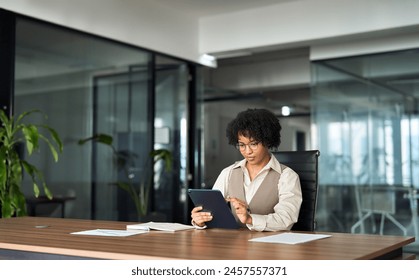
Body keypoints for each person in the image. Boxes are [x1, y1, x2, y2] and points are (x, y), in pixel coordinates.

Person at [191, 108, 302, 231]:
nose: (248, 151)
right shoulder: (228, 173)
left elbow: (286, 219)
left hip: (270, 245)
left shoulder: (287, 176)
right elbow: (212, 211)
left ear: (268, 141)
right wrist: (200, 221)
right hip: (234, 244)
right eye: (242, 145)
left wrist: (250, 219)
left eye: (253, 144)